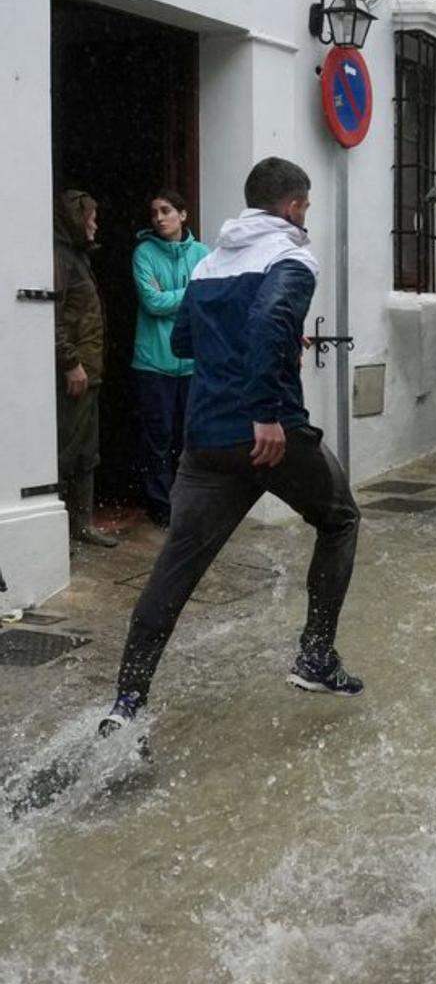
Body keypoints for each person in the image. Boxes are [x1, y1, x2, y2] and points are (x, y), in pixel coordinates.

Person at [98, 157, 362, 736]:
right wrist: (266, 412)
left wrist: (275, 339)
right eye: (307, 206)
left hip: (207, 440)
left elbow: (187, 337)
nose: (307, 215)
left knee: (175, 567)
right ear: (292, 206)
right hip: (272, 435)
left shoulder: (211, 261)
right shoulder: (292, 255)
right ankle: (316, 657)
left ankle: (126, 704)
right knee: (341, 519)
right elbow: (269, 318)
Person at [131, 189, 210, 527]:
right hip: (153, 362)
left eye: (165, 211)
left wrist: (178, 297)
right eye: (154, 213)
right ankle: (161, 506)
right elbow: (152, 302)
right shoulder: (144, 253)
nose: (159, 218)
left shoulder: (204, 254)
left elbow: (209, 300)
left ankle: (188, 503)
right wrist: (192, 293)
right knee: (158, 437)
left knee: (190, 437)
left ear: (183, 215)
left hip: (193, 362)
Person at [53, 188, 118, 549]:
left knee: (86, 451)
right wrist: (70, 362)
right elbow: (53, 316)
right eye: (91, 218)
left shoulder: (77, 257)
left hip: (89, 370)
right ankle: (60, 532)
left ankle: (83, 525)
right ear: (76, 219)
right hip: (75, 371)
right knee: (67, 451)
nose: (95, 225)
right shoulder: (60, 258)